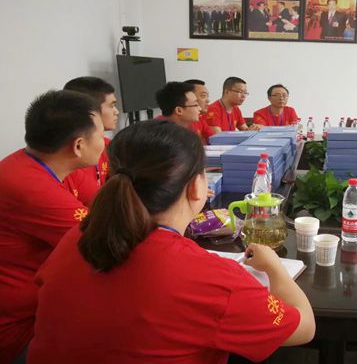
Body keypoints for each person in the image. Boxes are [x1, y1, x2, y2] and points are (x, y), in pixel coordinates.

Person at [27, 120, 315, 363]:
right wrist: (275, 268)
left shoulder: (78, 236)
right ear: (196, 187)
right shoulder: (212, 278)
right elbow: (304, 327)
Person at [0, 90, 105, 363]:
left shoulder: (59, 165)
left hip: (54, 301)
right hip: (23, 327)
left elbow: (107, 207)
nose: (104, 142)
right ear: (78, 145)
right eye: (101, 134)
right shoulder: (26, 185)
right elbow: (103, 242)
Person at [62, 76, 119, 207]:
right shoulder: (67, 161)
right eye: (112, 106)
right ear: (90, 112)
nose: (116, 111)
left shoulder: (108, 145)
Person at [184, 79, 215, 144]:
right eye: (203, 96)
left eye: (207, 96)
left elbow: (214, 139)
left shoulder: (199, 118)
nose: (208, 100)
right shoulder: (181, 121)